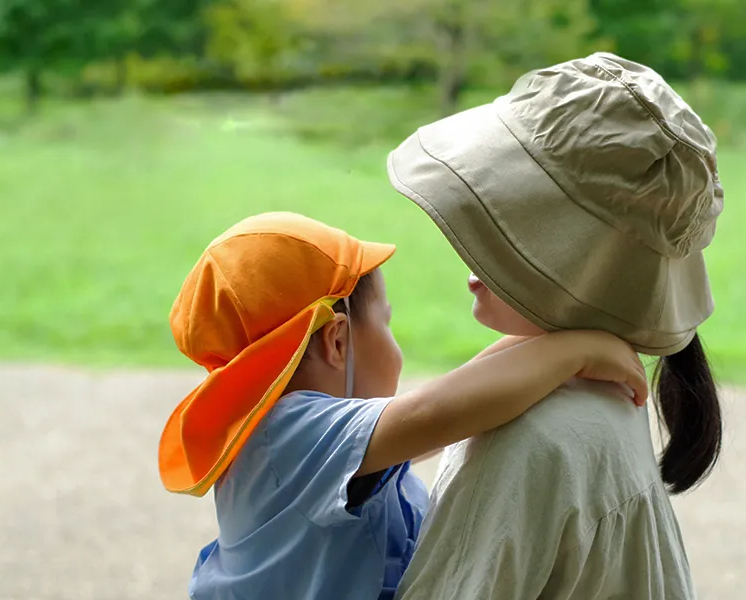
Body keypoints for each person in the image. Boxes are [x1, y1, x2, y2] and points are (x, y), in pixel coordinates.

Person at [157, 211, 648, 600]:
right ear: (337, 341)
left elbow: (466, 394)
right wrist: (576, 352)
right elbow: (440, 411)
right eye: (386, 323)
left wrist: (552, 341)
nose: (396, 346)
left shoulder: (299, 442)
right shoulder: (288, 434)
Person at [387, 53, 724, 599]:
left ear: (588, 262)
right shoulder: (603, 387)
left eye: (512, 228)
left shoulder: (529, 436)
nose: (472, 255)